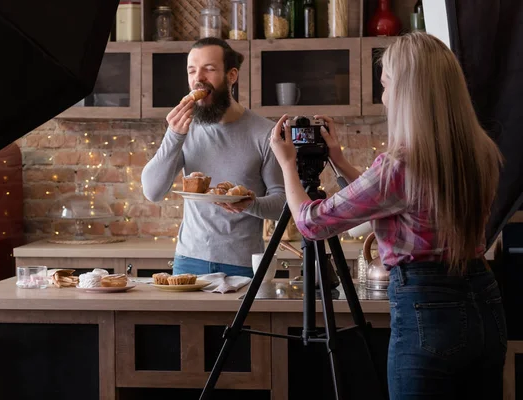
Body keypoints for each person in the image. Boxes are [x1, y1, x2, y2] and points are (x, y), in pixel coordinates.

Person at [270, 32, 506, 399]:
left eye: (386, 85)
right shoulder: (482, 152)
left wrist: (286, 165)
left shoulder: (398, 166)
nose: (383, 96)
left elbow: (311, 223)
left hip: (428, 307)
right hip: (486, 301)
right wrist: (340, 161)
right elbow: (401, 198)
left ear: (408, 92)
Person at [141, 37, 286, 278]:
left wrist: (251, 205)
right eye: (192, 70)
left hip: (244, 265)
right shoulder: (184, 129)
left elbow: (283, 203)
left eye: (209, 69)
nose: (198, 78)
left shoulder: (265, 133)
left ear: (231, 76)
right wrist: (173, 135)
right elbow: (152, 191)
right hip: (188, 263)